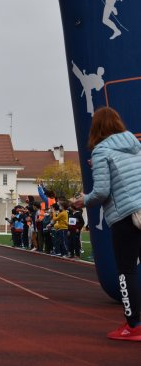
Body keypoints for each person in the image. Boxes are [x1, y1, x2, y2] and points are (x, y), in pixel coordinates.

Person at [71, 107, 141, 340]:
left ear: (96, 128)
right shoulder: (134, 143)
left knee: (126, 270)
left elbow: (101, 192)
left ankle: (133, 326)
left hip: (126, 216)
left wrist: (83, 201)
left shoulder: (101, 150)